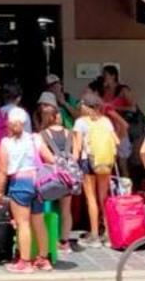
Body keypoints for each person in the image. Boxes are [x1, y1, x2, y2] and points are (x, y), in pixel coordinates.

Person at [0, 105, 54, 272]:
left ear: (9, 124)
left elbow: (3, 171)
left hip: (20, 184)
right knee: (38, 222)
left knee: (22, 223)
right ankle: (43, 259)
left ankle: (25, 262)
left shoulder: (6, 143)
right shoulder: (35, 138)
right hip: (37, 183)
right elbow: (51, 159)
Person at [36, 96, 78, 251]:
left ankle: (49, 239)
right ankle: (64, 241)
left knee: (46, 207)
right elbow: (76, 155)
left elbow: (43, 155)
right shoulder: (70, 133)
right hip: (67, 175)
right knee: (66, 210)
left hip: (50, 176)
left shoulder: (42, 135)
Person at [76, 94, 118, 244]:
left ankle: (94, 235)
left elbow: (78, 147)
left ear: (86, 107)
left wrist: (73, 162)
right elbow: (116, 141)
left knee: (91, 198)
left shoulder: (81, 122)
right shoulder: (106, 121)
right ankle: (107, 233)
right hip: (105, 161)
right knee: (103, 197)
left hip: (88, 161)